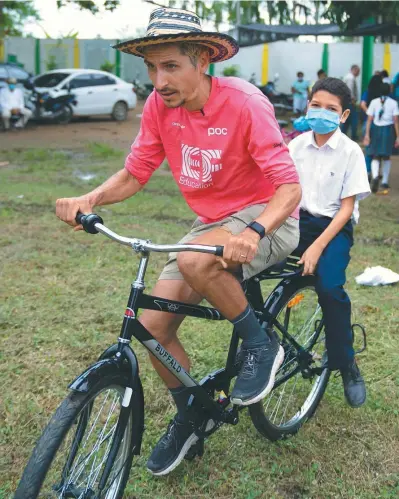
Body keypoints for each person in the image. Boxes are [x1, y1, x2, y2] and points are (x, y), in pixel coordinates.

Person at [55, 7, 301, 476]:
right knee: (153, 328)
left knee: (192, 259)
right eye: (151, 68)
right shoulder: (158, 107)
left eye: (170, 66)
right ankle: (193, 412)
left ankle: (260, 343)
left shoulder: (246, 103)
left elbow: (289, 187)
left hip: (268, 216)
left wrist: (253, 232)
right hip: (210, 221)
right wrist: (90, 197)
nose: (158, 80)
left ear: (203, 60)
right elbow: (135, 173)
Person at [289, 77, 370, 409]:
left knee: (329, 286)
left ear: (344, 115)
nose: (322, 112)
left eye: (331, 109)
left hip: (334, 226)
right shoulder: (294, 146)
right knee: (247, 265)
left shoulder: (351, 152)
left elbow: (347, 209)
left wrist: (317, 246)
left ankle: (346, 362)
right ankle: (263, 346)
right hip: (298, 221)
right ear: (308, 106)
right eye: (316, 105)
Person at [364, 82, 399, 191]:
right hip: (388, 130)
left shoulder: (374, 102)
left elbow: (369, 119)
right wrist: (398, 136)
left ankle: (375, 177)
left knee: (375, 155)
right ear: (390, 91)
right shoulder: (393, 103)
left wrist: (367, 134)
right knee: (386, 156)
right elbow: (396, 121)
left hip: (375, 130)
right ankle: (384, 181)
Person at [360, 74, 383, 179]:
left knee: (369, 149)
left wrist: (369, 113)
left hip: (368, 123)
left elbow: (362, 104)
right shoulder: (383, 94)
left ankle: (367, 171)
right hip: (382, 125)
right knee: (379, 150)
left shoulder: (367, 92)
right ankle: (376, 172)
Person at [342, 64, 360, 140]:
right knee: (354, 120)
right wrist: (353, 101)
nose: (359, 73)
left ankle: (342, 135)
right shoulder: (351, 78)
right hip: (350, 102)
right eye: (358, 71)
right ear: (354, 70)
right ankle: (353, 136)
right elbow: (350, 91)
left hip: (346, 102)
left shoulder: (348, 77)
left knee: (346, 121)